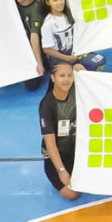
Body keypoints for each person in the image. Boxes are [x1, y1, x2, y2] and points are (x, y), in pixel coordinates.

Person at [39, 63, 81, 201]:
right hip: (56, 155)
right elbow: (50, 143)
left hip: (75, 150)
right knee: (72, 194)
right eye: (62, 76)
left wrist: (82, 69)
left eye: (69, 76)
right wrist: (61, 170)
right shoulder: (46, 105)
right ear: (53, 78)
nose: (66, 79)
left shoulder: (77, 91)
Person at [40, 0, 106, 72]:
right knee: (67, 75)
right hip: (59, 58)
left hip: (75, 52)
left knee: (100, 61)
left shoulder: (68, 14)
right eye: (55, 0)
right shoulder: (48, 24)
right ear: (48, 3)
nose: (60, 2)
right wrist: (67, 58)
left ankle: (77, 70)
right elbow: (46, 49)